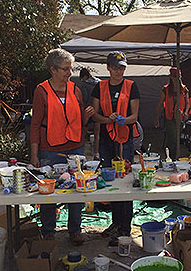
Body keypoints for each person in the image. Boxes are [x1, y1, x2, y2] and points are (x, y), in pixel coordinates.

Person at [30, 48, 95, 245]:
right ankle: (48, 231)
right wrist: (34, 154)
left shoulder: (76, 90)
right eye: (65, 69)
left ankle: (75, 230)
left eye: (71, 68)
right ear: (53, 70)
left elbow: (79, 121)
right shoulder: (41, 91)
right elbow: (35, 124)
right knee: (49, 190)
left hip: (75, 146)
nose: (70, 73)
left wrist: (87, 116)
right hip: (50, 148)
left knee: (77, 189)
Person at [91, 51, 140, 246]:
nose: (118, 71)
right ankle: (115, 222)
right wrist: (106, 119)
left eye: (122, 67)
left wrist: (123, 120)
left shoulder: (131, 86)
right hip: (106, 139)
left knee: (125, 181)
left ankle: (125, 228)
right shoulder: (99, 87)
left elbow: (134, 116)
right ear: (108, 68)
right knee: (110, 181)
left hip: (124, 139)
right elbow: (94, 114)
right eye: (115, 67)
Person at [154, 67, 190, 160]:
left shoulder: (184, 89)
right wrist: (156, 118)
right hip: (169, 118)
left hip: (180, 117)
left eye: (177, 76)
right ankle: (172, 158)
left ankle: (175, 157)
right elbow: (160, 105)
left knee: (177, 138)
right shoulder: (165, 90)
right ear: (170, 77)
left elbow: (187, 103)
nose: (176, 78)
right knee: (172, 139)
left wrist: (186, 112)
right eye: (174, 76)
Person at [78, 67, 101, 159]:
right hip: (98, 110)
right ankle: (96, 153)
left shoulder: (83, 84)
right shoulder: (99, 82)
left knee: (83, 131)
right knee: (97, 133)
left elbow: (84, 98)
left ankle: (82, 153)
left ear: (83, 76)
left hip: (88, 110)